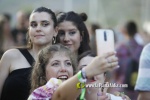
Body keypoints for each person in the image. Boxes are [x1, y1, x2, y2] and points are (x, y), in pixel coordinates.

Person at [0, 7, 57, 100]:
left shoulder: (61, 63)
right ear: (29, 30)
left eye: (45, 24)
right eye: (33, 25)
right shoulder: (11, 56)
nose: (38, 28)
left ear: (55, 30)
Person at [28, 44, 119, 100]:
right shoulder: (39, 94)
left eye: (68, 63)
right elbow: (60, 96)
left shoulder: (82, 96)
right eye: (55, 64)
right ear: (43, 72)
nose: (63, 68)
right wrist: (86, 72)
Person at [114, 21, 143, 99]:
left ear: (124, 31)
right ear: (136, 31)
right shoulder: (142, 48)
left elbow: (115, 69)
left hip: (122, 86)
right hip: (137, 87)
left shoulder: (120, 47)